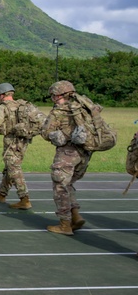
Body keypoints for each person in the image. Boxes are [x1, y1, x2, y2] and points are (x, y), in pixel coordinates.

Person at [40, 80, 90, 235]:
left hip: (67, 154)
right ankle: (75, 216)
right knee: (68, 184)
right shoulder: (84, 108)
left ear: (57, 95)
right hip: (85, 153)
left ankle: (64, 224)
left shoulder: (59, 111)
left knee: (60, 187)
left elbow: (45, 132)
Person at [0, 82, 32, 209]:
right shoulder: (21, 105)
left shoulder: (3, 107)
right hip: (23, 142)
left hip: (11, 142)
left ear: (2, 95)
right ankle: (2, 194)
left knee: (14, 169)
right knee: (9, 168)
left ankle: (24, 198)